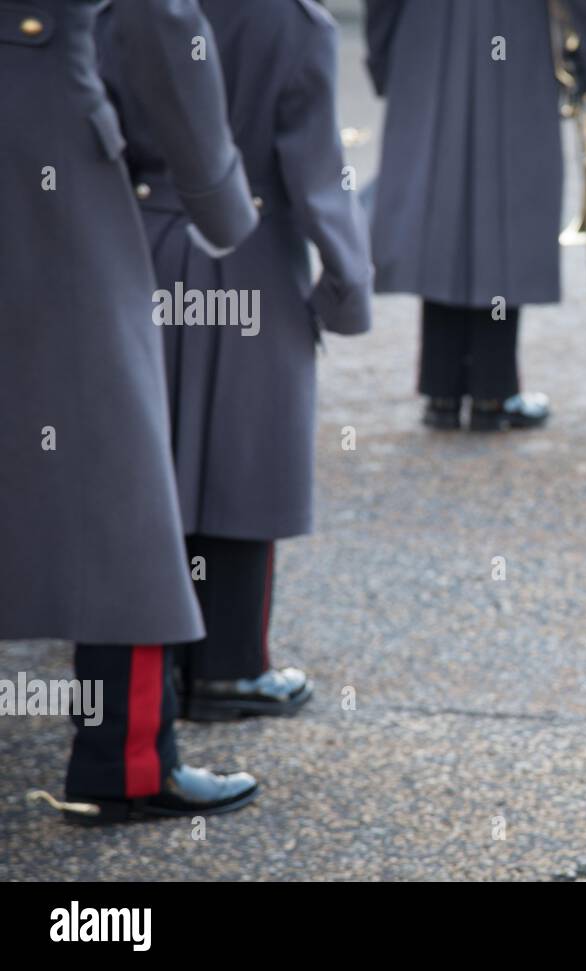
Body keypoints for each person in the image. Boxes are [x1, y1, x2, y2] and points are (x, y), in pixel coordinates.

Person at [0, 0, 261, 823]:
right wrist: (218, 197)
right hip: (37, 148)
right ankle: (125, 756)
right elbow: (159, 18)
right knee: (115, 462)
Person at [96, 0, 372, 723]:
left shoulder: (114, 10)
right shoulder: (294, 21)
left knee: (148, 462)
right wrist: (345, 287)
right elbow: (318, 175)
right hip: (252, 251)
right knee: (246, 464)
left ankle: (150, 664)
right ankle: (230, 667)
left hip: (138, 247)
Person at [364, 0, 586, 430]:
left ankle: (441, 390)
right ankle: (492, 390)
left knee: (442, 205)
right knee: (504, 206)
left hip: (427, 37)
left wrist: (384, 55)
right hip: (514, 39)